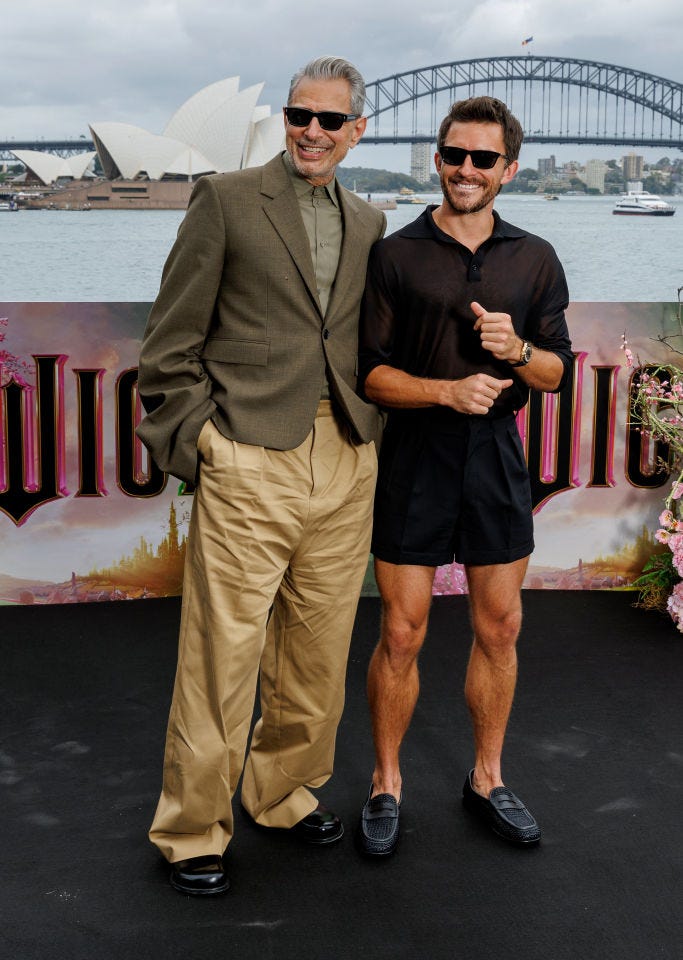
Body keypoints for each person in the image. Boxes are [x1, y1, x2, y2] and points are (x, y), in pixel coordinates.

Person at [136, 56, 386, 895]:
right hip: (248, 451)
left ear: (357, 130)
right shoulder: (227, 199)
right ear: (285, 119)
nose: (310, 131)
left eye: (328, 120)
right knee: (223, 653)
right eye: (297, 114)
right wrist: (204, 441)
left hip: (344, 455)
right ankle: (191, 830)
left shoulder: (370, 220)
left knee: (317, 651)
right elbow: (171, 343)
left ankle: (281, 792)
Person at [355, 96, 573, 857]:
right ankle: (385, 782)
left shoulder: (535, 257)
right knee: (402, 631)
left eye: (484, 159)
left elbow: (555, 374)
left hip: (494, 459)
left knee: (500, 626)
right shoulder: (396, 254)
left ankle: (486, 777)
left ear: (508, 170)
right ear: (438, 159)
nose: (466, 170)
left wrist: (514, 352)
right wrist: (444, 390)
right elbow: (370, 376)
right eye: (454, 155)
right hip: (414, 457)